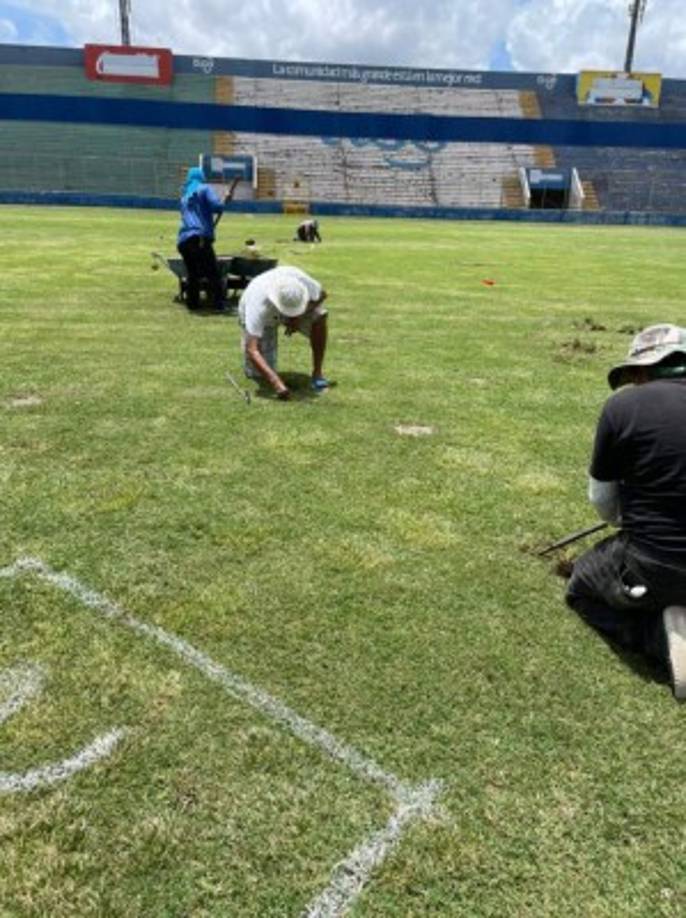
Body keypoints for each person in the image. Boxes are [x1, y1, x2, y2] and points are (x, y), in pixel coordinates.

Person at [566, 324, 686, 700]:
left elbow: (603, 500)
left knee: (581, 588)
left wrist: (624, 519)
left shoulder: (623, 406)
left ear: (639, 371)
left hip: (655, 564)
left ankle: (657, 636)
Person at [238, 265, 329, 399]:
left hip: (292, 311)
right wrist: (276, 383)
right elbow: (252, 349)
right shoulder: (258, 304)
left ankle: (318, 372)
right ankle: (269, 375)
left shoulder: (301, 280)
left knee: (319, 315)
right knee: (257, 374)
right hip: (266, 319)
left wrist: (297, 316)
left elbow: (322, 295)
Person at [176, 168, 238, 311]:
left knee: (193, 273)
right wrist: (226, 199)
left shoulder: (185, 196)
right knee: (213, 272)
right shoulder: (204, 189)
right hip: (199, 237)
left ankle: (193, 305)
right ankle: (219, 304)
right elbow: (217, 206)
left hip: (183, 240)